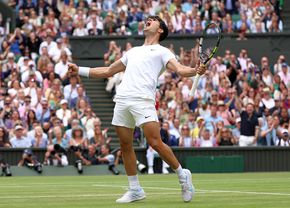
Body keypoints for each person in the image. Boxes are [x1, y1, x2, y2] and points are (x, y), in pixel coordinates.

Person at [68, 15, 206, 204]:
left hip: (143, 100)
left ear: (160, 30)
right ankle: (135, 189)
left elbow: (180, 69)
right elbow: (108, 71)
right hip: (123, 99)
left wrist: (194, 71)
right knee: (125, 146)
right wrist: (79, 70)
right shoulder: (132, 52)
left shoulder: (163, 51)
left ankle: (183, 176)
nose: (148, 20)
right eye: (148, 19)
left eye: (154, 19)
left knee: (155, 143)